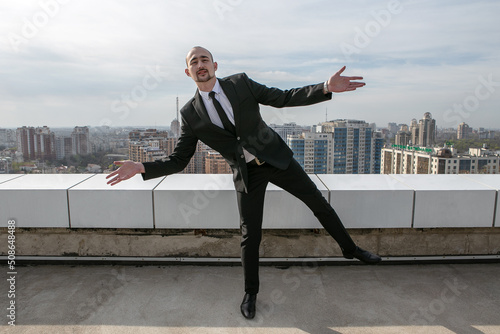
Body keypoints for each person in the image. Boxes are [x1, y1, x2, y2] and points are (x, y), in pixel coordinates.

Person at [106, 46, 381, 320]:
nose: (200, 64)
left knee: (319, 204)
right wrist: (142, 166)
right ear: (187, 72)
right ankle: (251, 293)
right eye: (194, 62)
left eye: (205, 59)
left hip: (276, 159)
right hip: (248, 174)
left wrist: (323, 87)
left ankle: (351, 250)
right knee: (250, 235)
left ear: (215, 65)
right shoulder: (190, 114)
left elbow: (283, 97)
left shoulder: (241, 83)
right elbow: (179, 159)